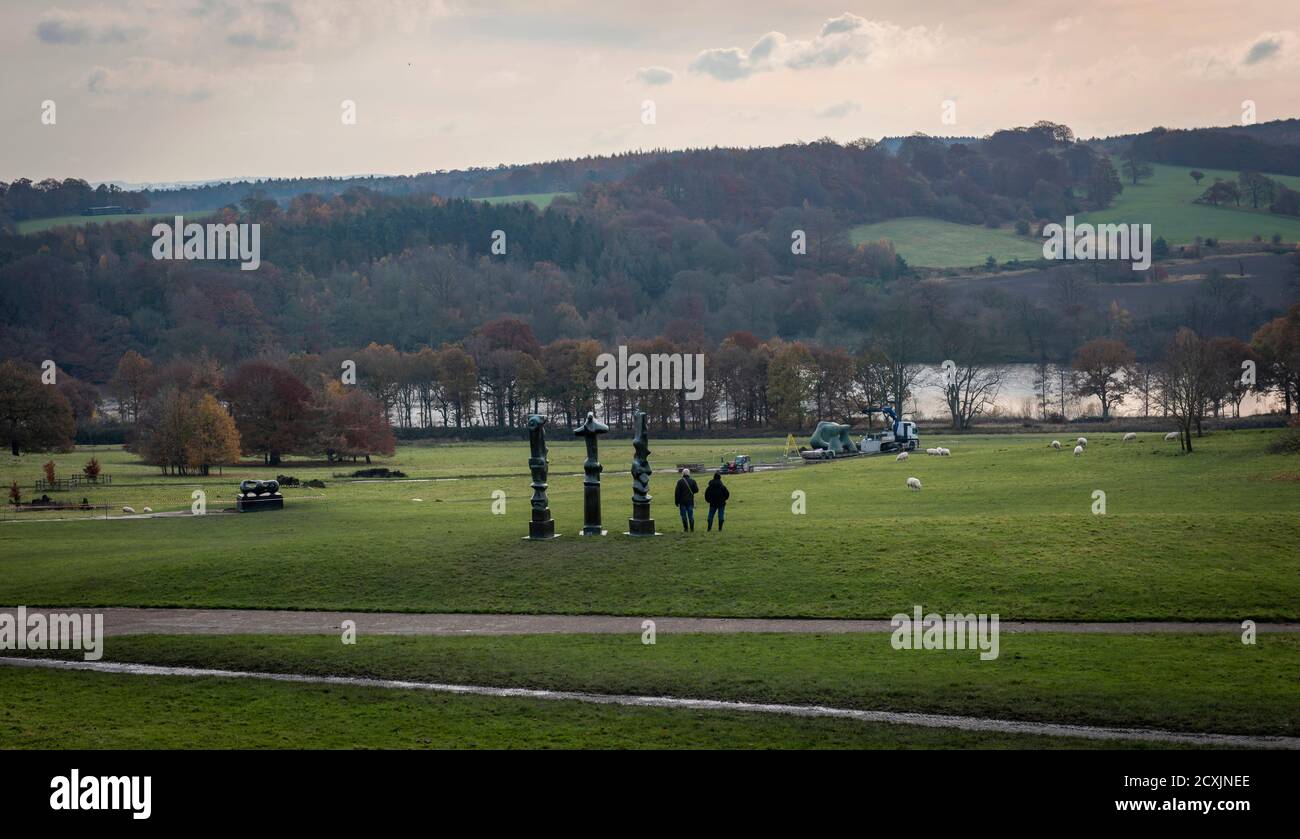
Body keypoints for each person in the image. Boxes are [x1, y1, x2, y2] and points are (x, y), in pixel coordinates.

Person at [674, 468, 699, 532]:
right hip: (690, 501)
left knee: (683, 516)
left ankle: (686, 529)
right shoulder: (693, 481)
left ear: (683, 474)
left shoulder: (680, 482)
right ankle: (692, 529)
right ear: (689, 474)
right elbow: (696, 490)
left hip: (682, 502)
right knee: (691, 516)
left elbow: (677, 493)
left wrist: (676, 502)